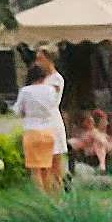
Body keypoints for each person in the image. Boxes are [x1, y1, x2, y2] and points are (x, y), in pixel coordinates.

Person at [12, 64, 58, 193]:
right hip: (48, 131)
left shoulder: (26, 91)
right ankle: (50, 196)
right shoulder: (51, 90)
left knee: (35, 169)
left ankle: (40, 196)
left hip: (32, 131)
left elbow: (17, 110)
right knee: (47, 168)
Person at [34, 45, 68, 188]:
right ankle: (46, 191)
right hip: (40, 122)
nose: (38, 63)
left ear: (49, 60)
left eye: (41, 59)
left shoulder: (56, 79)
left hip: (51, 122)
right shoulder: (42, 79)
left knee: (54, 162)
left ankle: (56, 191)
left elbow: (48, 99)